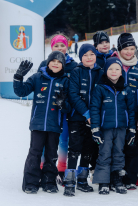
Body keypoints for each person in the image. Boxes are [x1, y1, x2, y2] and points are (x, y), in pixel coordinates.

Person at [14, 52, 70, 194]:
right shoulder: (37, 78)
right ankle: (31, 182)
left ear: (63, 65)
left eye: (59, 62)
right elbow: (21, 91)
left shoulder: (65, 81)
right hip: (38, 124)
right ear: (48, 62)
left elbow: (69, 107)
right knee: (35, 153)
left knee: (52, 154)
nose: (55, 63)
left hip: (55, 125)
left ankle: (49, 182)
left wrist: (62, 103)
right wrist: (18, 77)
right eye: (53, 61)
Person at [90, 57, 136, 195]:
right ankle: (103, 182)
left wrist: (132, 129)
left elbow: (132, 110)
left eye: (117, 69)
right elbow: (95, 109)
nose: (114, 71)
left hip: (121, 128)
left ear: (121, 71)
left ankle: (117, 180)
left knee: (118, 153)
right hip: (105, 129)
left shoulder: (127, 89)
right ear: (106, 71)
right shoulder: (100, 88)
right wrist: (95, 129)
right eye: (110, 69)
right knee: (104, 153)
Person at [63, 44, 103, 197]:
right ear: (81, 57)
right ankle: (69, 182)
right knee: (74, 149)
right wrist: (87, 113)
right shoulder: (76, 72)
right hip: (77, 117)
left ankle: (82, 180)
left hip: (94, 119)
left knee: (88, 149)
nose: (89, 58)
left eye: (92, 54)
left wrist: (94, 115)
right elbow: (73, 95)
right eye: (85, 55)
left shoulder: (101, 72)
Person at [38, 34, 78, 183]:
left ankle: (61, 168)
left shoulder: (73, 65)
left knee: (63, 140)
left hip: (66, 109)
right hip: (48, 109)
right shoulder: (44, 63)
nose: (60, 48)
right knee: (45, 139)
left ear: (67, 47)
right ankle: (43, 167)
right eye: (56, 45)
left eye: (63, 45)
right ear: (51, 47)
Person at [111, 33, 138, 189]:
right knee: (118, 147)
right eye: (125, 48)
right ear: (119, 49)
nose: (129, 52)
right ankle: (117, 176)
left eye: (132, 49)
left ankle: (131, 178)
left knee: (134, 146)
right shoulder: (113, 65)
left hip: (135, 115)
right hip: (117, 114)